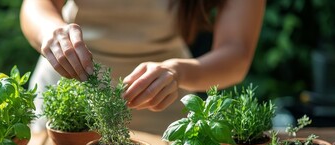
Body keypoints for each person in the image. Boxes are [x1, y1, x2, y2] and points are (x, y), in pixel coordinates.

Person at [20, 0, 266, 134]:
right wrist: (50, 32)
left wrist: (178, 72)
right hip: (67, 91)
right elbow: (36, 6)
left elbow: (236, 53)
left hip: (163, 101)